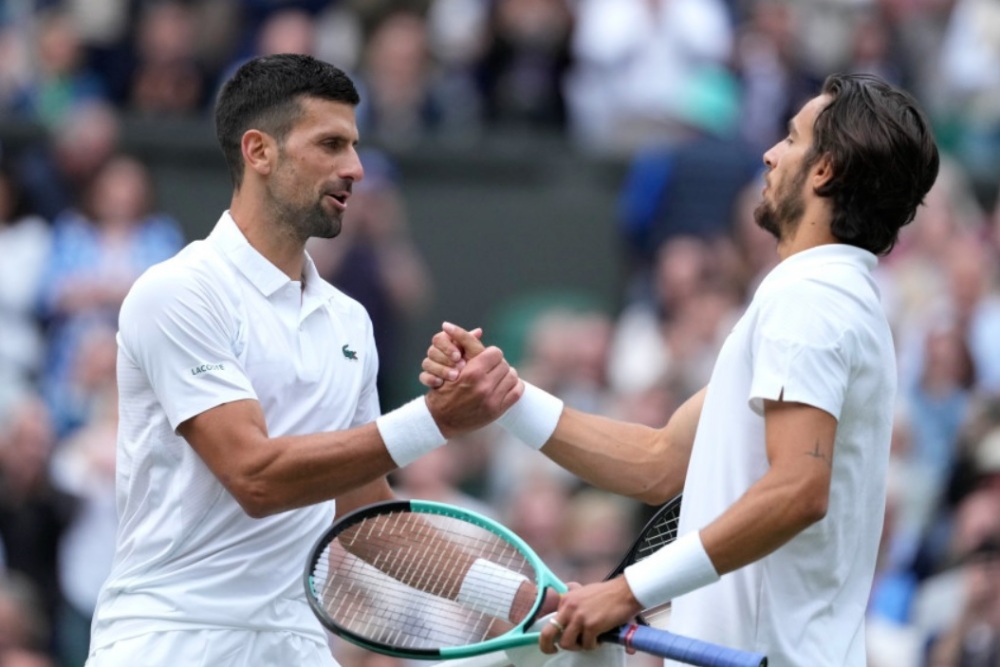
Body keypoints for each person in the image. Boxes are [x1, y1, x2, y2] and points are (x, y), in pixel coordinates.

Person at [421, 73, 940, 666]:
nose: (770, 154)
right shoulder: (828, 297)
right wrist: (505, 398)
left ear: (824, 171)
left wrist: (626, 591)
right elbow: (658, 462)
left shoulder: (811, 298)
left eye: (791, 140)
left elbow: (799, 489)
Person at [84, 53, 524, 667]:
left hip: (293, 642)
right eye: (331, 144)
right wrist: (436, 419)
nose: (356, 169)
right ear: (259, 151)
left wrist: (530, 601)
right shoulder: (178, 292)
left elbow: (370, 519)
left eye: (354, 145)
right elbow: (256, 477)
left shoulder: (349, 322)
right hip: (169, 638)